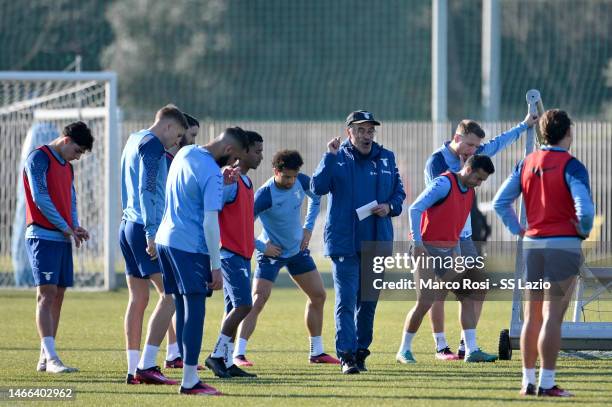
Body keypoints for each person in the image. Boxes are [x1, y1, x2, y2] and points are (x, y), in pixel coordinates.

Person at [493, 109, 594, 397]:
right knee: (552, 317)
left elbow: (501, 202)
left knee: (532, 317)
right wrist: (582, 228)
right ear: (568, 134)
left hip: (533, 246)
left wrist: (519, 230)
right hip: (563, 244)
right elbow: (584, 209)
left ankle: (527, 382)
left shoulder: (526, 162)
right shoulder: (572, 165)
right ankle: (548, 383)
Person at [423, 114, 538, 360]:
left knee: (478, 287)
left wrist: (523, 125)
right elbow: (442, 200)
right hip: (441, 238)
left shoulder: (474, 154)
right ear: (457, 138)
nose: (474, 150)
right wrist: (463, 168)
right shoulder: (437, 161)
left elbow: (497, 143)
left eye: (476, 146)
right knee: (439, 292)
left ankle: (468, 345)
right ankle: (441, 347)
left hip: (466, 236)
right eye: (470, 145)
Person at [311, 110, 406, 374]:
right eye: (361, 130)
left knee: (369, 302)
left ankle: (362, 351)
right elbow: (317, 187)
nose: (366, 135)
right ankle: (347, 355)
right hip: (345, 241)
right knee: (346, 300)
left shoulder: (386, 157)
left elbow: (399, 192)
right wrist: (328, 157)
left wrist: (390, 206)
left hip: (377, 241)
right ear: (349, 132)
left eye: (370, 130)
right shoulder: (336, 157)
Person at [156, 127, 248, 395]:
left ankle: (187, 370)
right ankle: (189, 381)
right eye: (234, 160)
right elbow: (210, 221)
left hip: (166, 240)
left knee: (182, 307)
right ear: (229, 150)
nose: (233, 166)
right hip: (189, 245)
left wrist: (223, 181)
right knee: (196, 310)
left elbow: (190, 194)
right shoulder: (211, 172)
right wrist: (215, 265)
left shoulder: (185, 152)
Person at [233, 149, 339, 367]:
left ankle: (316, 352)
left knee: (318, 295)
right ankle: (238, 354)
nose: (291, 181)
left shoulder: (300, 180)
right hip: (273, 254)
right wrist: (263, 247)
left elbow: (316, 197)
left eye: (294, 176)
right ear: (276, 171)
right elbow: (241, 226)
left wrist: (308, 228)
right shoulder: (264, 195)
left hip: (297, 252)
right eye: (286, 177)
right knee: (257, 300)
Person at [396, 155, 497, 365]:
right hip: (426, 249)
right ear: (468, 170)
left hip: (449, 251)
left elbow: (457, 224)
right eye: (478, 178)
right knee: (425, 301)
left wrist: (458, 253)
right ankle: (404, 350)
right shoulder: (443, 183)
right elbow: (415, 208)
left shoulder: (469, 191)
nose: (479, 183)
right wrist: (418, 243)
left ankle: (471, 350)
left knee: (473, 290)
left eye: (482, 181)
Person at [119, 105, 188, 385]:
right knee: (170, 295)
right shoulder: (152, 146)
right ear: (168, 126)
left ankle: (132, 368)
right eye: (179, 135)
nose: (177, 142)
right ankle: (147, 366)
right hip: (145, 227)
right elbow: (148, 188)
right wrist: (151, 232)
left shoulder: (133, 138)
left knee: (138, 299)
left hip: (127, 226)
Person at [23, 121, 94, 373]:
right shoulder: (38, 158)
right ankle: (52, 358)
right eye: (77, 151)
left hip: (62, 237)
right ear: (66, 141)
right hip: (42, 236)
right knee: (46, 294)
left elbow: (71, 198)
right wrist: (64, 226)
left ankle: (45, 357)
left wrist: (74, 226)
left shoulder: (67, 167)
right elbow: (40, 197)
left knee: (58, 296)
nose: (77, 157)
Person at [204, 130, 263, 379]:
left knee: (234, 308)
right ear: (244, 152)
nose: (261, 156)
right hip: (229, 254)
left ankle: (226, 362)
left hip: (242, 255)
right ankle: (216, 356)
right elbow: (211, 208)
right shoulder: (231, 182)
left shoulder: (247, 183)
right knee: (244, 305)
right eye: (257, 151)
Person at [161, 112, 201, 370]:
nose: (194, 141)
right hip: (172, 239)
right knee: (170, 299)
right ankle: (150, 361)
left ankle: (173, 353)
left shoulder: (180, 160)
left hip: (170, 237)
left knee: (171, 299)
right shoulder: (169, 160)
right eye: (192, 135)